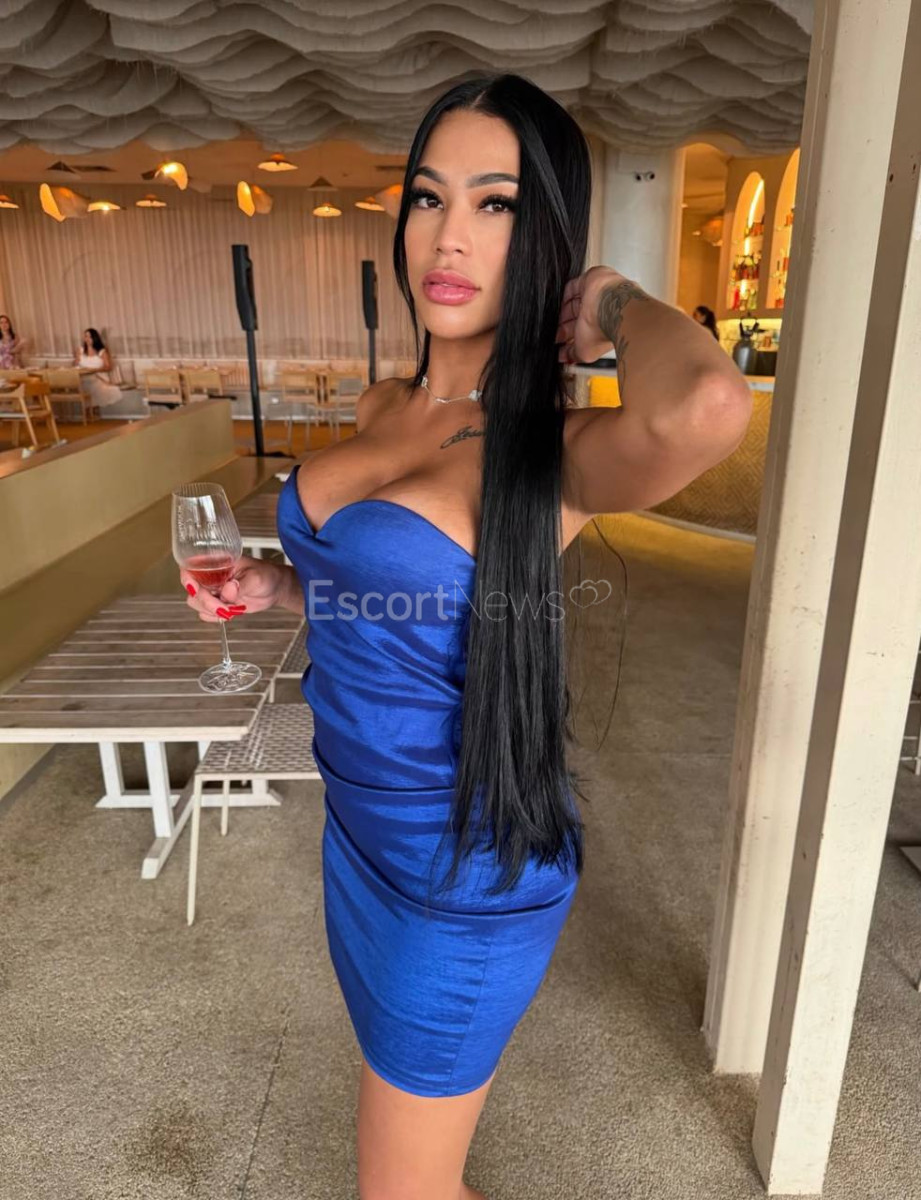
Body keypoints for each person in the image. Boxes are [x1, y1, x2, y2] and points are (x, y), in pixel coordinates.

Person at [181, 73, 752, 1199]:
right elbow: (378, 586)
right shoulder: (380, 407)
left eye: (496, 205)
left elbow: (706, 405)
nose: (448, 237)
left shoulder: (556, 450)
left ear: (545, 239)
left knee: (397, 1186)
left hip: (466, 872)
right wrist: (276, 583)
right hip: (358, 830)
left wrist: (611, 303)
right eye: (428, 197)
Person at [74, 328, 122, 409]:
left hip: (98, 377)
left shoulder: (102, 351)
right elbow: (76, 365)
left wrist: (95, 370)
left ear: (95, 338)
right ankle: (86, 409)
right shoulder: (80, 350)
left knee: (93, 383)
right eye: (86, 336)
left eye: (90, 337)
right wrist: (77, 363)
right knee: (81, 383)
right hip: (83, 377)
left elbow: (108, 367)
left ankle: (93, 407)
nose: (87, 339)